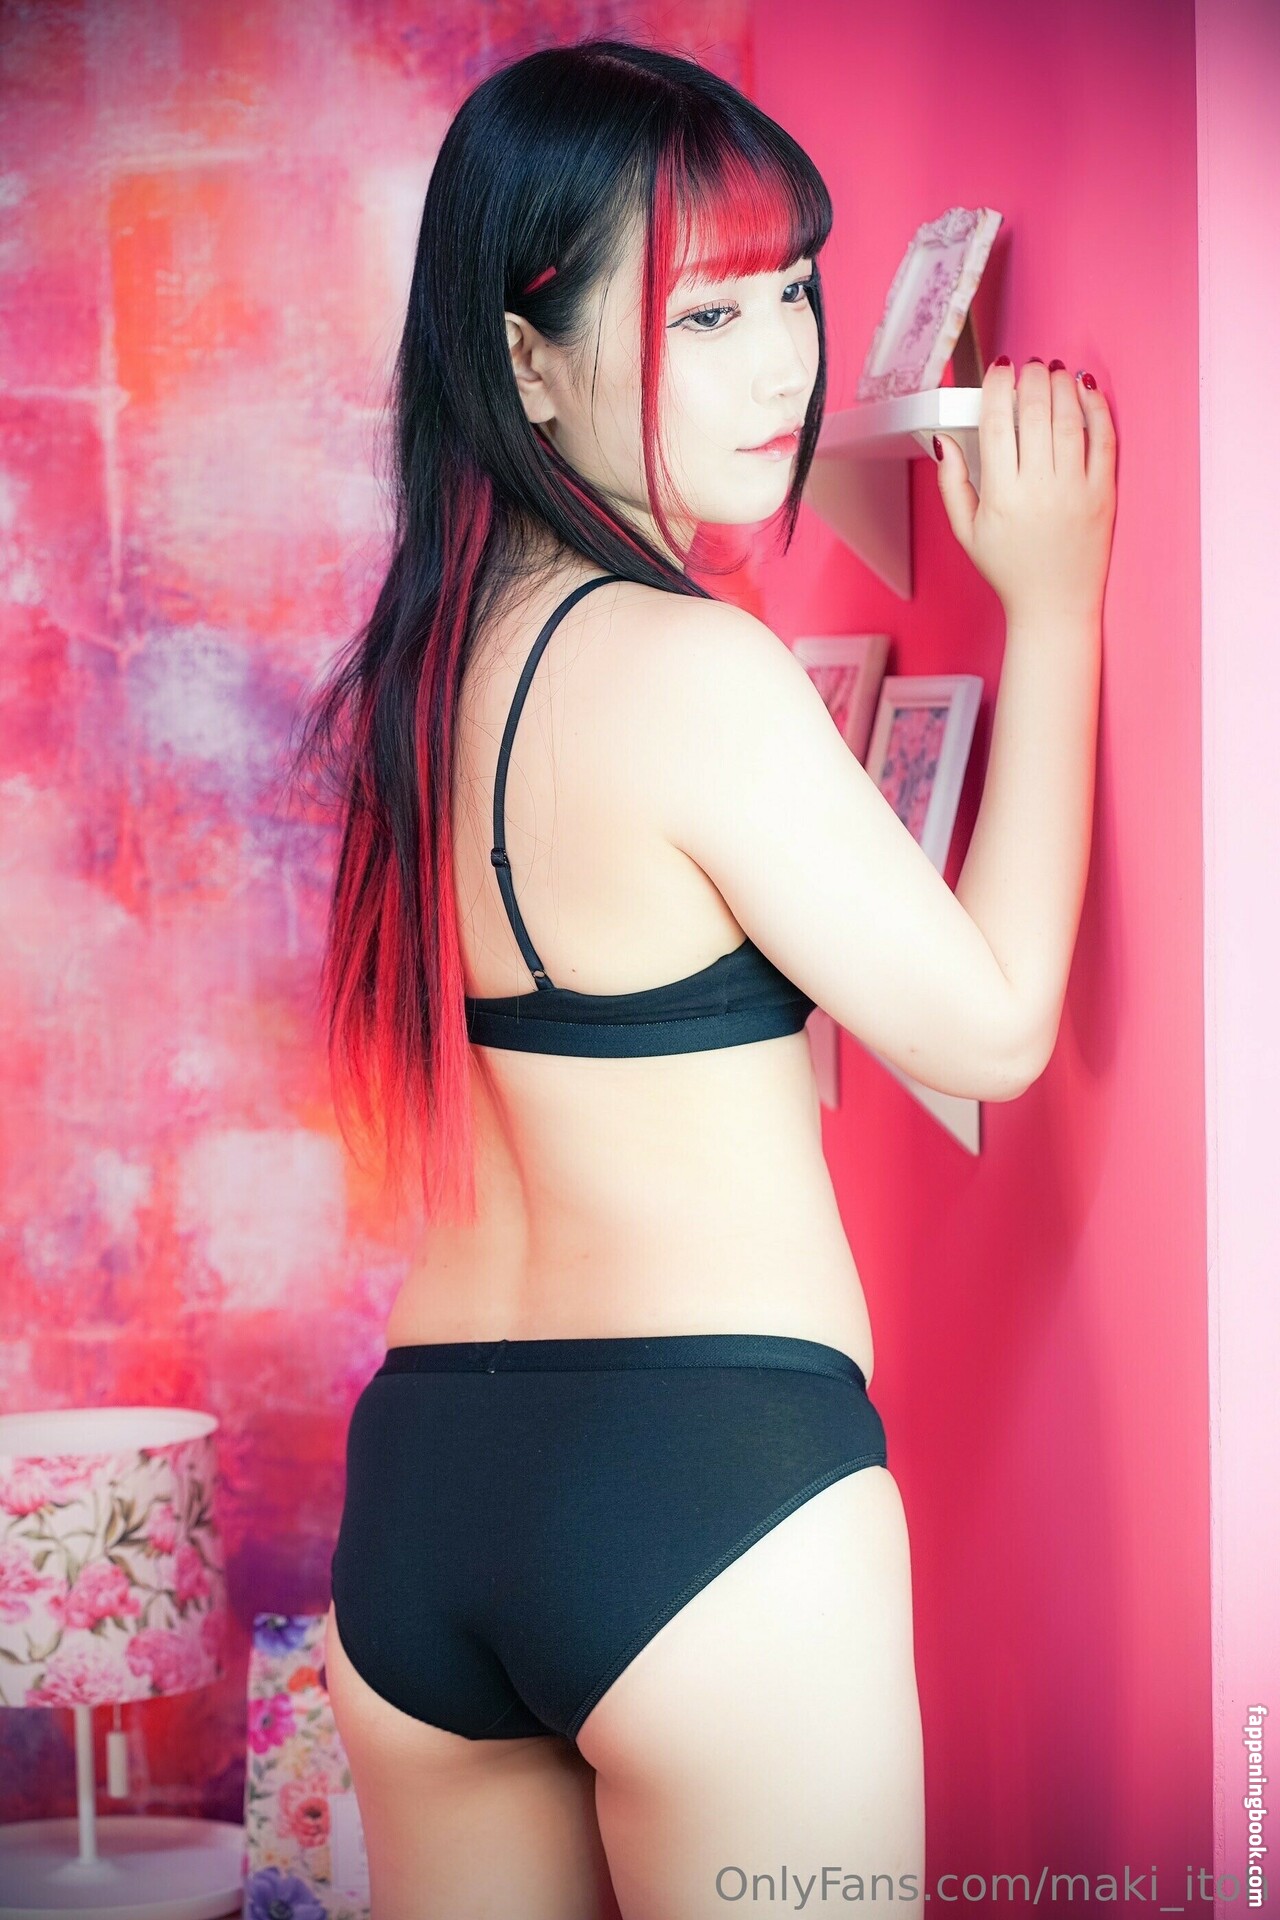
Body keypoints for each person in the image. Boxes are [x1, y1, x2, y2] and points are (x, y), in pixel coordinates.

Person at [292, 35, 1116, 1920]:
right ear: (526, 357)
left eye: (794, 291)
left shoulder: (418, 677)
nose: (781, 366)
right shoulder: (691, 666)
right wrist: (1058, 605)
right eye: (701, 313)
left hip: (424, 1499)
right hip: (706, 1490)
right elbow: (992, 1026)